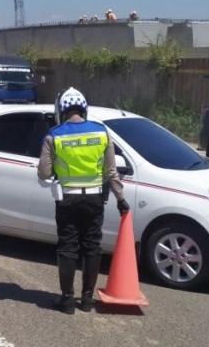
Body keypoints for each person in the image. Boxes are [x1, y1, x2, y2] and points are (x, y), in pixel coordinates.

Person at [37, 87, 130, 314]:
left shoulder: (54, 135)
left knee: (68, 247)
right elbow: (111, 172)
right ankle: (87, 300)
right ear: (84, 109)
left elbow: (44, 173)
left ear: (62, 110)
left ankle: (67, 300)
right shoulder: (101, 133)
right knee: (92, 247)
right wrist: (121, 199)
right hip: (95, 199)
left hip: (67, 200)